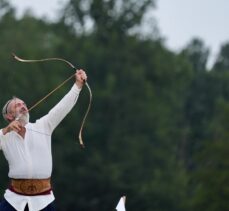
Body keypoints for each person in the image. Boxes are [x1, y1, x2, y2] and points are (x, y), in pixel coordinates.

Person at [0, 69, 87, 211]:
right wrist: (6, 130)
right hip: (14, 201)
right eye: (17, 105)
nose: (23, 106)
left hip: (43, 201)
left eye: (24, 104)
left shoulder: (43, 126)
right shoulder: (4, 136)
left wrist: (77, 85)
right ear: (9, 116)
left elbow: (62, 107)